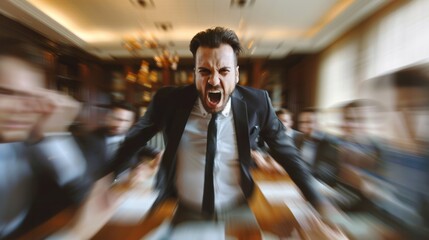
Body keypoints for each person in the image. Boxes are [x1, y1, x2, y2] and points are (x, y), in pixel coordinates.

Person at [109, 27, 341, 237]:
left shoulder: (258, 103)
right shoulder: (168, 101)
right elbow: (134, 138)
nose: (214, 80)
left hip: (238, 207)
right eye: (204, 71)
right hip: (187, 208)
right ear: (194, 74)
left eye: (223, 70)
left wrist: (317, 200)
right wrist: (107, 179)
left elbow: (287, 153)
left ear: (236, 75)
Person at [0, 38, 91, 238]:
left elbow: (81, 197)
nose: (21, 109)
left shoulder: (28, 146)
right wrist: (77, 233)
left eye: (31, 97)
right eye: (4, 92)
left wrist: (55, 135)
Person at [74, 102, 162, 181]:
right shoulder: (89, 139)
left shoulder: (133, 138)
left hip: (126, 187)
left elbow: (154, 152)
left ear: (132, 123)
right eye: (117, 119)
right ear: (108, 118)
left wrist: (154, 163)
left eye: (126, 121)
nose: (120, 125)